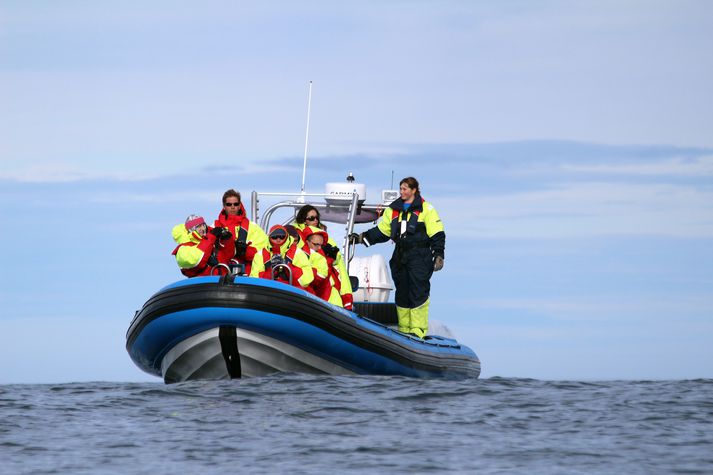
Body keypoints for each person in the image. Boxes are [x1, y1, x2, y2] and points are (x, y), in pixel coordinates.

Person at [350, 177, 444, 338]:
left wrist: (438, 255)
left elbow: (437, 233)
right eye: (401, 189)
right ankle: (405, 328)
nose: (402, 192)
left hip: (420, 256)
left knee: (418, 291)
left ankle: (418, 330)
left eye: (405, 189)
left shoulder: (426, 209)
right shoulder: (393, 211)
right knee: (402, 292)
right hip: (400, 256)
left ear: (414, 190)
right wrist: (361, 238)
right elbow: (382, 232)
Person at [294, 205, 353, 310]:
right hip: (307, 287)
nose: (315, 220)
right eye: (312, 218)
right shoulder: (296, 237)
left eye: (317, 218)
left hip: (328, 286)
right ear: (303, 220)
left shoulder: (327, 239)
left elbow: (340, 269)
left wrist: (347, 297)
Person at [214, 189, 268, 275]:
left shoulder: (252, 227)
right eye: (229, 204)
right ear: (224, 206)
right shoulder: (214, 227)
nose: (232, 207)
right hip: (221, 274)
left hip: (247, 276)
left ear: (239, 206)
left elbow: (263, 252)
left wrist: (245, 251)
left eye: (236, 204)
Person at [249, 225, 314, 291]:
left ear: (286, 236)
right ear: (269, 237)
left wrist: (287, 266)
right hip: (267, 291)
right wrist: (271, 271)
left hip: (292, 291)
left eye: (282, 236)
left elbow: (307, 278)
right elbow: (254, 279)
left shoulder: (297, 252)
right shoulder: (260, 255)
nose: (278, 239)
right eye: (274, 237)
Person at [300, 226, 345, 307]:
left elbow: (324, 276)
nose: (319, 248)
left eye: (321, 245)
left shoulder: (321, 256)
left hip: (328, 296)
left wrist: (330, 259)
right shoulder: (301, 255)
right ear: (307, 242)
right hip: (318, 298)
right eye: (316, 244)